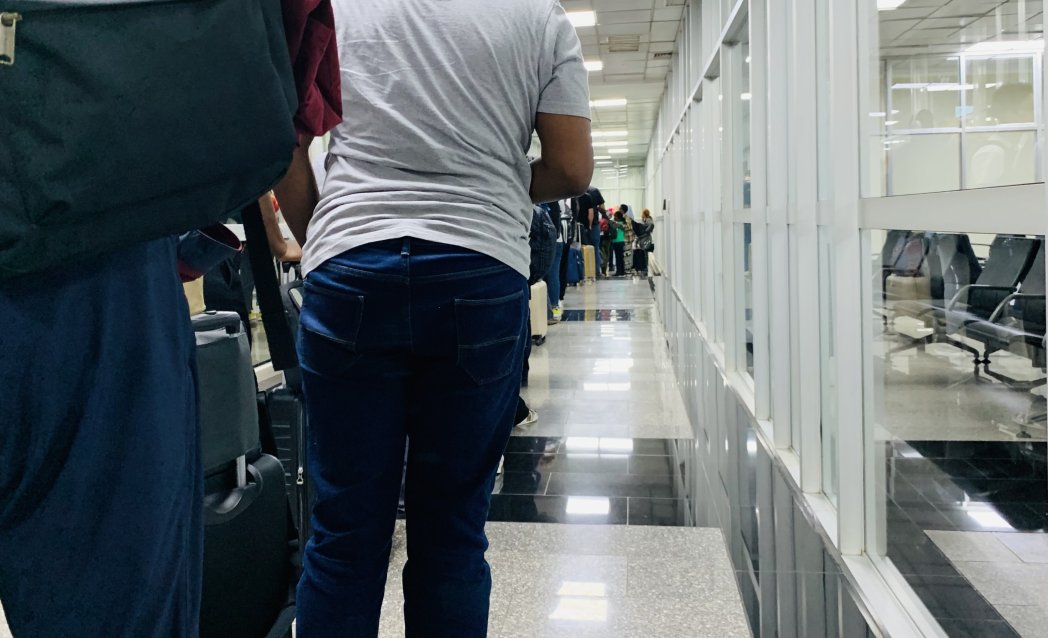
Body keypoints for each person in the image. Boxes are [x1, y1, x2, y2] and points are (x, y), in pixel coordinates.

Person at [274, 2, 594, 636]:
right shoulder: (540, 15)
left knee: (342, 536)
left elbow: (282, 139)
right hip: (479, 274)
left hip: (351, 274)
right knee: (451, 534)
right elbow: (570, 166)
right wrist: (489, 184)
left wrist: (326, 239)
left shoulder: (333, 7)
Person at [612, 210, 627, 277]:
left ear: (618, 217)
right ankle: (622, 271)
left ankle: (619, 271)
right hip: (618, 242)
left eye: (615, 216)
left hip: (618, 242)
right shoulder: (619, 223)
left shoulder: (620, 224)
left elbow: (623, 228)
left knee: (619, 257)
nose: (614, 217)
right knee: (620, 257)